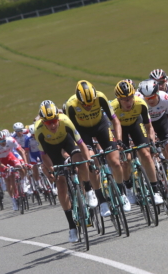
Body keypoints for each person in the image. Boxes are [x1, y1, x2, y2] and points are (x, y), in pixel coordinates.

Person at [64, 80, 128, 213]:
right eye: (85, 104)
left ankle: (122, 193)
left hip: (101, 127)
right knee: (91, 161)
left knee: (116, 162)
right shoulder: (71, 105)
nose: (88, 106)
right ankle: (101, 199)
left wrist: (119, 140)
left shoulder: (100, 97)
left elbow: (114, 120)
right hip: (83, 132)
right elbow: (72, 131)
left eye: (91, 103)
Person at [34, 100, 93, 243]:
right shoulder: (39, 130)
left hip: (67, 142)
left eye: (54, 121)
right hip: (51, 150)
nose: (53, 125)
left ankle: (88, 189)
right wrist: (51, 169)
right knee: (61, 185)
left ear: (58, 117)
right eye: (48, 123)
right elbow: (44, 156)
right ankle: (72, 227)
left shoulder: (66, 121)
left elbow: (81, 144)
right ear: (43, 122)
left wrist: (88, 160)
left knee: (81, 161)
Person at [111, 80, 164, 209]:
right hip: (120, 129)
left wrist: (151, 141)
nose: (128, 102)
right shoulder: (113, 107)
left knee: (146, 154)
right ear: (118, 99)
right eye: (124, 100)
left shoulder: (140, 103)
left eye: (130, 98)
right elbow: (108, 129)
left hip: (136, 125)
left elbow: (149, 126)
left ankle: (155, 190)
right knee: (126, 159)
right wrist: (117, 144)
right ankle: (128, 188)